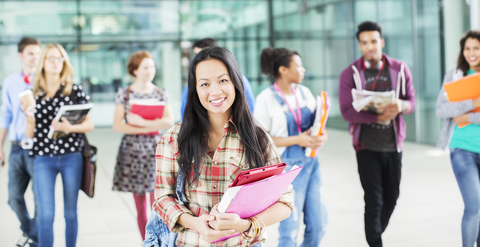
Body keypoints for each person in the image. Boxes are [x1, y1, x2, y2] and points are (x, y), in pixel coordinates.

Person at [153, 46, 294, 247]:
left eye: (222, 80)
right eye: (204, 84)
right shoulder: (173, 139)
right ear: (195, 90)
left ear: (236, 82)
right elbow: (162, 198)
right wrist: (195, 224)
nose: (215, 91)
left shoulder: (257, 138)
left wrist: (246, 225)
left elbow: (285, 202)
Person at [338, 21, 415, 247]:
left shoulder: (399, 69)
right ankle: (375, 242)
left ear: (381, 42)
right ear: (359, 45)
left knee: (392, 198)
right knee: (374, 201)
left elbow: (411, 102)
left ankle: (374, 235)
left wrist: (400, 106)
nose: (370, 46)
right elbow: (346, 111)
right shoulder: (350, 74)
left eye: (373, 41)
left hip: (393, 146)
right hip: (366, 147)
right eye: (364, 43)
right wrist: (376, 117)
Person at [254, 47, 328, 247]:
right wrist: (297, 139)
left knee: (319, 225)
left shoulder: (304, 93)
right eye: (298, 66)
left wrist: (322, 136)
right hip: (287, 170)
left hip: (311, 164)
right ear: (283, 70)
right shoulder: (265, 99)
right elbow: (261, 139)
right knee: (290, 232)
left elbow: (318, 125)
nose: (303, 70)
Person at [22, 43, 94, 247]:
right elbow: (30, 134)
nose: (56, 63)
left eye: (60, 59)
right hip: (43, 159)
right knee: (46, 215)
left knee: (70, 213)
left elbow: (90, 124)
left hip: (72, 157)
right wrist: (29, 119)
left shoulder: (74, 90)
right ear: (43, 62)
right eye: (51, 58)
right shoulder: (32, 93)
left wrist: (68, 127)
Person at [112, 51, 174, 241]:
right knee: (140, 207)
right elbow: (117, 125)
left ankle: (161, 241)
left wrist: (139, 122)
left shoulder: (161, 93)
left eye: (152, 67)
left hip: (155, 151)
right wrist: (153, 124)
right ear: (135, 70)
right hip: (132, 153)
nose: (150, 71)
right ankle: (147, 242)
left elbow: (168, 122)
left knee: (158, 203)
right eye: (146, 67)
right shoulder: (125, 93)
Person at [436, 30, 480, 247]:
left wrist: (468, 116)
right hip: (462, 149)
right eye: (467, 48)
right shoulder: (455, 76)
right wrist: (473, 102)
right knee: (474, 206)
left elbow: (459, 113)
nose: (471, 53)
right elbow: (441, 109)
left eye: (476, 48)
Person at [0, 37, 41, 246]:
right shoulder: (10, 82)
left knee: (40, 199)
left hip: (38, 149)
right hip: (16, 148)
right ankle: (31, 232)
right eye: (30, 53)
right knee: (13, 197)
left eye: (37, 53)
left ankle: (33, 239)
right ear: (20, 56)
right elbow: (5, 115)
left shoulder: (44, 81)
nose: (35, 57)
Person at [180, 38, 255, 118]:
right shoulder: (190, 87)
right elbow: (185, 114)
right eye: (205, 84)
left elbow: (250, 109)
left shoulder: (241, 80)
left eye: (223, 81)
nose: (201, 59)